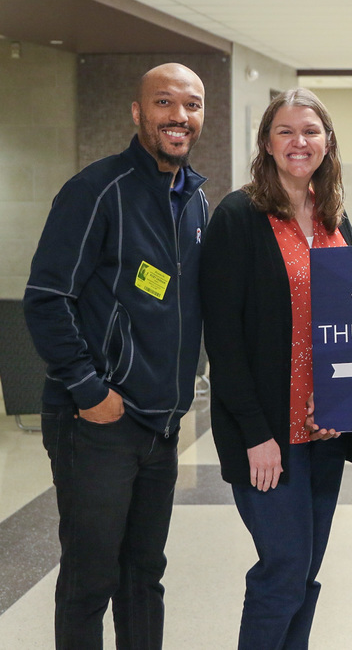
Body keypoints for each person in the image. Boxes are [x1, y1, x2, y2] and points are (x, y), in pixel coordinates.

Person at [23, 63, 208, 649]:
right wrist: (89, 391)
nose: (180, 116)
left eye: (193, 105)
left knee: (143, 576)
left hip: (159, 424)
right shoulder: (96, 191)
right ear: (137, 113)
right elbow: (47, 300)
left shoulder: (195, 205)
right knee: (89, 579)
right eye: (164, 102)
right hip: (97, 422)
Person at [199, 88, 352, 649]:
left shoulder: (338, 221)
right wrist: (257, 434)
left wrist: (348, 403)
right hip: (269, 435)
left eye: (310, 131)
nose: (299, 142)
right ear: (267, 142)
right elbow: (224, 339)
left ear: (327, 142)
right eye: (286, 132)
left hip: (325, 433)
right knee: (284, 568)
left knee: (304, 572)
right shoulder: (238, 217)